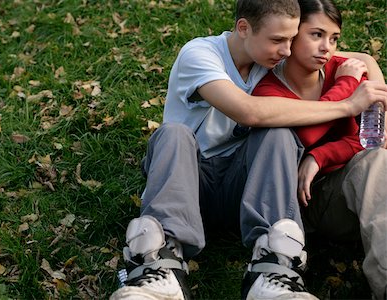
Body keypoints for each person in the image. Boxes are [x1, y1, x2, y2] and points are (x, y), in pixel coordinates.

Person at [110, 0, 387, 299]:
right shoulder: (200, 54)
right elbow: (248, 111)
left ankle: (273, 268)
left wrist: (364, 66)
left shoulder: (268, 57)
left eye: (291, 40)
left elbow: (346, 56)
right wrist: (347, 104)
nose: (287, 51)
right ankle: (159, 267)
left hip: (244, 185)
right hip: (189, 183)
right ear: (244, 28)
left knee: (279, 134)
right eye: (278, 40)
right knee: (174, 134)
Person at [252, 0, 387, 298]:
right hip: (299, 208)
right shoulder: (267, 90)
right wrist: (348, 88)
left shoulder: (343, 68)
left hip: (356, 195)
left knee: (377, 160)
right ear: (291, 36)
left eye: (334, 38)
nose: (327, 47)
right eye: (316, 35)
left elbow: (373, 138)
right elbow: (306, 134)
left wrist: (319, 157)